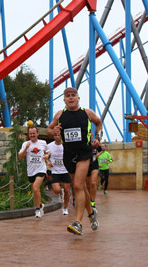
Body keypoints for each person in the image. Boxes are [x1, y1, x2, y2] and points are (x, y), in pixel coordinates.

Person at [47, 87, 102, 235]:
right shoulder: (60, 115)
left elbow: (98, 122)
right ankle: (91, 214)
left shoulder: (87, 113)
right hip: (68, 155)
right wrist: (54, 132)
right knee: (80, 188)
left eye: (73, 95)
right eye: (67, 96)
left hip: (84, 153)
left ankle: (78, 223)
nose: (70, 98)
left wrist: (97, 137)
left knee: (77, 185)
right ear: (64, 100)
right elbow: (49, 129)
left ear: (78, 98)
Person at [18, 126, 48, 218]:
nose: (32, 135)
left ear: (37, 134)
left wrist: (47, 156)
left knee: (35, 188)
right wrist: (26, 148)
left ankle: (38, 209)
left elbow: (47, 152)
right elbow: (20, 157)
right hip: (31, 171)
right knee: (35, 191)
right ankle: (41, 205)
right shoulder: (25, 144)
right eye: (30, 133)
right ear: (28, 134)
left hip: (41, 169)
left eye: (34, 133)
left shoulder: (43, 143)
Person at [46, 132, 71, 215]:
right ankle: (60, 193)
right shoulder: (49, 146)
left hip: (65, 170)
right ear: (53, 136)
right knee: (56, 190)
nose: (57, 137)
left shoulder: (66, 145)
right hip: (55, 171)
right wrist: (48, 162)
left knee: (67, 190)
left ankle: (65, 207)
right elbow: (45, 156)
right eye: (55, 135)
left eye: (58, 135)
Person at [85, 135, 102, 230]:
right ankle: (88, 201)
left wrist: (98, 149)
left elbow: (100, 149)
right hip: (86, 166)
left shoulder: (95, 142)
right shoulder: (83, 143)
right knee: (87, 185)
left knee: (93, 182)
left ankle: (93, 202)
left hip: (94, 166)